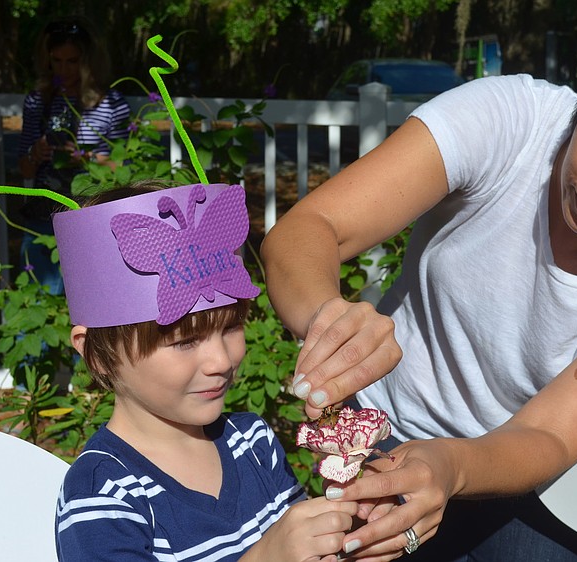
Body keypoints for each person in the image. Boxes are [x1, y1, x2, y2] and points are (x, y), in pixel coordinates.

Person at [260, 1, 577, 560]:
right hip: (381, 427)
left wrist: (450, 466)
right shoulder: (510, 118)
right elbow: (310, 228)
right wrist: (326, 320)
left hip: (535, 478)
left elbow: (549, 437)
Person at [54, 181, 358, 561]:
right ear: (99, 357)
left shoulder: (251, 442)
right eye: (185, 342)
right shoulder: (104, 493)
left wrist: (353, 520)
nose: (221, 361)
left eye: (231, 327)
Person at [18, 15, 130, 294]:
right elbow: (24, 170)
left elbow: (126, 168)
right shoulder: (38, 101)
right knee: (41, 294)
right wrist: (36, 153)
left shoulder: (111, 103)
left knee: (93, 298)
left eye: (73, 61)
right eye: (57, 61)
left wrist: (84, 158)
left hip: (94, 214)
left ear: (89, 62)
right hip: (45, 217)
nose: (64, 70)